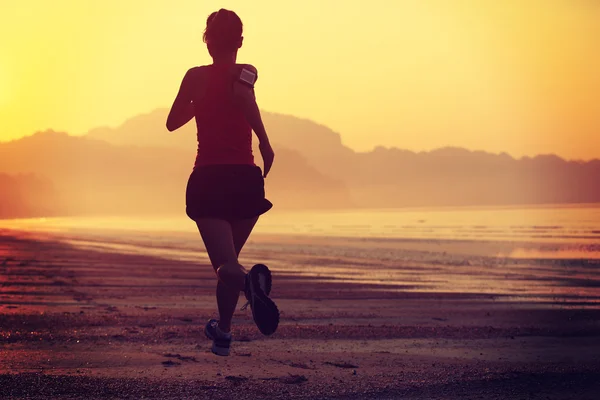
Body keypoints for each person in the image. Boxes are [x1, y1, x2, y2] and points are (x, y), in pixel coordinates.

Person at [166, 8, 279, 356]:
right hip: (246, 179)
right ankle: (224, 332)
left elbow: (172, 122)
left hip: (210, 179)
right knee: (230, 262)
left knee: (227, 267)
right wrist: (264, 142)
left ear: (207, 41)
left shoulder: (194, 76)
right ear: (240, 42)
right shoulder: (248, 70)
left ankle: (249, 284)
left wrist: (200, 101)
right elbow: (243, 96)